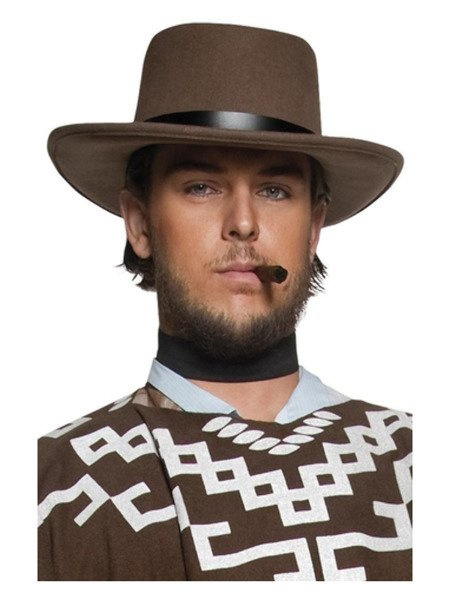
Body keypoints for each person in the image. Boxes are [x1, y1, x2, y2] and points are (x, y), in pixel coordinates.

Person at [38, 22, 412, 581]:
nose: (242, 223)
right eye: (201, 187)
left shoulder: (412, 462)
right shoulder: (52, 485)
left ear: (313, 229)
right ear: (139, 223)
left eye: (274, 190)